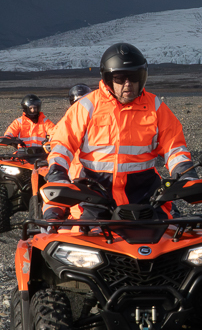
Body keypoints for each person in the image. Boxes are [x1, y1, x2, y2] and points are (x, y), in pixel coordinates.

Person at [44, 43, 193, 216]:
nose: (128, 84)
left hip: (144, 193)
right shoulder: (87, 107)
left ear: (142, 77)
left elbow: (175, 148)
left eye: (133, 77)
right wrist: (58, 174)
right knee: (85, 231)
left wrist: (186, 174)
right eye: (120, 78)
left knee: (168, 230)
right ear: (108, 79)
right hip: (95, 194)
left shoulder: (156, 107)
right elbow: (62, 145)